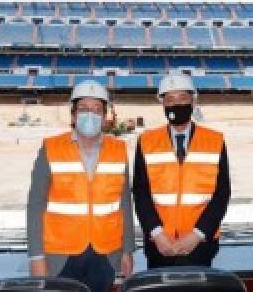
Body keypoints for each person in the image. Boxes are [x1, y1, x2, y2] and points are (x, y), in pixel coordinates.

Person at [27, 80, 135, 292]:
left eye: (97, 110)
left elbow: (124, 204)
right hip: (60, 255)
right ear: (73, 114)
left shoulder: (119, 149)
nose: (90, 115)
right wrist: (36, 256)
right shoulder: (50, 148)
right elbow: (35, 205)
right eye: (84, 109)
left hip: (106, 254)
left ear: (105, 117)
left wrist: (127, 251)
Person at [133, 73, 230, 268]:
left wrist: (198, 234)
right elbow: (141, 193)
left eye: (183, 98)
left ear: (193, 102)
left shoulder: (215, 140)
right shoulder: (146, 141)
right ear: (163, 105)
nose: (176, 104)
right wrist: (157, 234)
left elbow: (222, 194)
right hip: (159, 245)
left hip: (200, 245)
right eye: (170, 99)